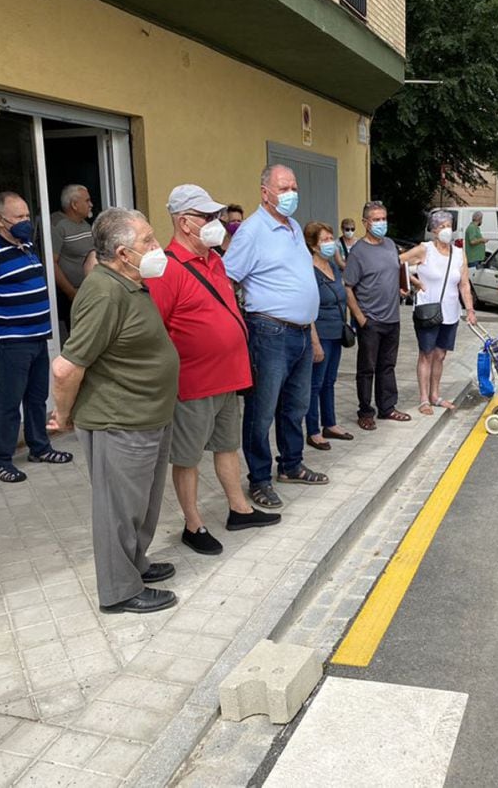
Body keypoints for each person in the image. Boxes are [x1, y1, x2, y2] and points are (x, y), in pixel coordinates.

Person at [48, 208, 180, 614]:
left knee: (142, 505)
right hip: (119, 420)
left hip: (148, 415)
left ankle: (135, 564)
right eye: (148, 242)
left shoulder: (130, 284)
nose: (157, 248)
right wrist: (63, 416)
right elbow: (66, 367)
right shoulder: (103, 291)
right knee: (118, 511)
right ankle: (120, 590)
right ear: (123, 253)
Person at [148, 185, 280, 557]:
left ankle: (239, 509)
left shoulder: (216, 261)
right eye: (206, 217)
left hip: (228, 377)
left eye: (215, 216)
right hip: (193, 382)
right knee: (187, 456)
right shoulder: (166, 268)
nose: (216, 223)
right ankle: (193, 524)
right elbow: (155, 330)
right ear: (184, 222)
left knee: (227, 446)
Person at [224, 165, 327, 510]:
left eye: (294, 186)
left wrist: (311, 332)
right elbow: (228, 280)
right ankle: (259, 479)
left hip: (299, 332)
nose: (291, 193)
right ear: (264, 192)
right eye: (284, 188)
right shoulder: (252, 231)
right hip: (269, 332)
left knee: (295, 406)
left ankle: (291, 464)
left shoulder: (294, 226)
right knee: (261, 410)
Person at [0, 192, 73, 483]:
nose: (26, 222)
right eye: (19, 217)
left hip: (37, 337)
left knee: (36, 398)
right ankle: (1, 460)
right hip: (9, 340)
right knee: (8, 402)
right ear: (0, 220)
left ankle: (39, 447)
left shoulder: (25, 246)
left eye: (27, 215)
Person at [400, 210, 477, 414]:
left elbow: (464, 285)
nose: (446, 230)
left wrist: (470, 309)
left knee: (440, 354)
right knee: (426, 354)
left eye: (448, 226)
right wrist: (414, 282)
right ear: (433, 230)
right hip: (427, 310)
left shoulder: (459, 253)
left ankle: (435, 395)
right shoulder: (425, 249)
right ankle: (424, 399)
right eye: (441, 226)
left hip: (450, 312)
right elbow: (398, 261)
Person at [344, 201, 412, 431]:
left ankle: (387, 407)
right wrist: (361, 319)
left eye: (383, 218)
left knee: (387, 365)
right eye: (376, 219)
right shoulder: (358, 253)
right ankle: (365, 412)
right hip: (371, 320)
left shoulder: (390, 244)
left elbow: (394, 272)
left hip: (392, 318)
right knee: (367, 368)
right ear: (365, 222)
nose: (381, 223)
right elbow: (348, 287)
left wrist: (401, 289)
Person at [304, 221, 355, 450]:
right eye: (324, 240)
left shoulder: (333, 267)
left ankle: (330, 423)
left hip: (336, 331)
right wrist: (314, 342)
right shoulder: (309, 271)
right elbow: (308, 307)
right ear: (313, 245)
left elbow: (342, 294)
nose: (330, 243)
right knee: (315, 383)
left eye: (331, 238)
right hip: (320, 333)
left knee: (330, 381)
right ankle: (313, 431)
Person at [50, 184, 95, 332]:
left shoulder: (84, 225)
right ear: (74, 205)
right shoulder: (58, 226)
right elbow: (52, 264)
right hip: (72, 296)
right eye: (87, 201)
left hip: (90, 292)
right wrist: (71, 293)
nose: (91, 205)